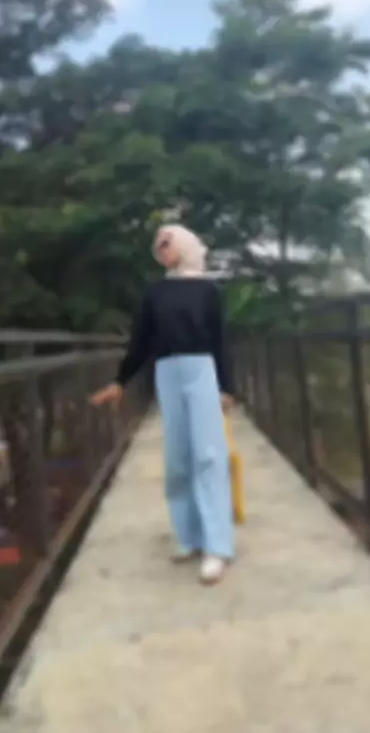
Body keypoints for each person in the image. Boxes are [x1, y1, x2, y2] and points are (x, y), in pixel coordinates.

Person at [91, 224, 235, 585]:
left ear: (185, 244)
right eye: (157, 246)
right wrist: (120, 381)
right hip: (168, 373)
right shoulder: (154, 293)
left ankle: (217, 546)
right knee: (177, 458)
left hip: (202, 370)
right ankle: (188, 537)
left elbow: (220, 341)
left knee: (208, 455)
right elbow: (140, 342)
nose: (161, 250)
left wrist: (226, 387)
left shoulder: (208, 290)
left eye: (166, 243)